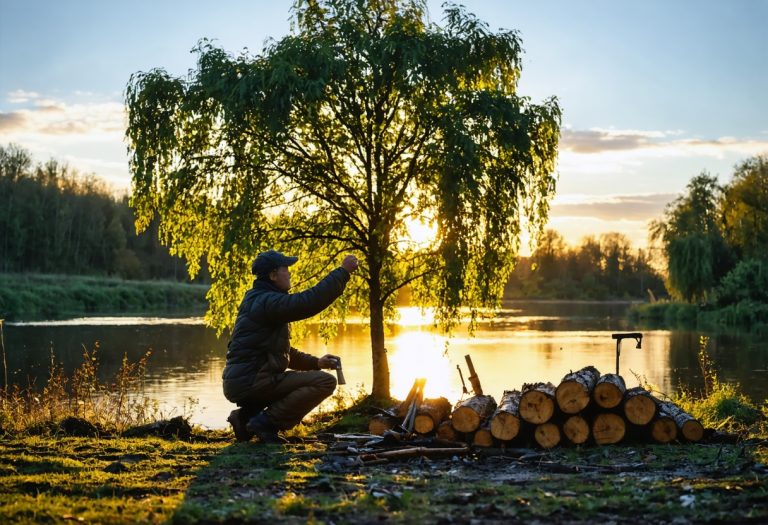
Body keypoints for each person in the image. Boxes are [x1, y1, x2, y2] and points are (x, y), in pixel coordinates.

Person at [222, 249, 359, 443]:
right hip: (252, 381)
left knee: (305, 378)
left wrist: (316, 362)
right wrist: (342, 272)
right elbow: (308, 302)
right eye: (286, 268)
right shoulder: (267, 301)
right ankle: (266, 423)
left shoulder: (259, 299)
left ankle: (244, 418)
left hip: (243, 382)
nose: (290, 273)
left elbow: (280, 352)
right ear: (273, 275)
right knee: (325, 382)